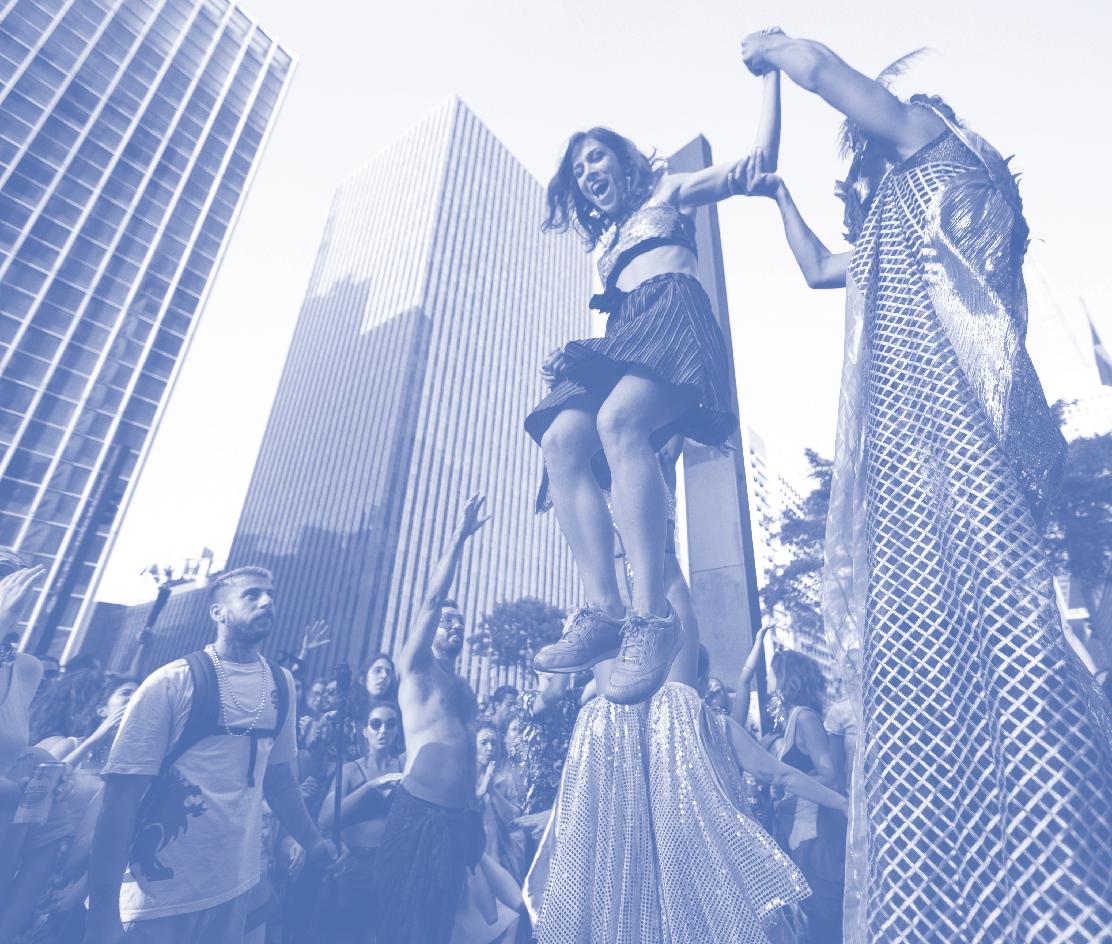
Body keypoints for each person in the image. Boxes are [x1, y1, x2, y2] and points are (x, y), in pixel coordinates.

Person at [736, 28, 1112, 941]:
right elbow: (819, 270)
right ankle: (958, 896)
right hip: (910, 471)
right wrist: (779, 194)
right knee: (922, 659)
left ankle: (1052, 889)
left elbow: (824, 73)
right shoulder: (893, 226)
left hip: (960, 440)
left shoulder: (943, 154)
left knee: (996, 633)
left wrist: (771, 46)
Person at [525, 69, 783, 704]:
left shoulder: (669, 190)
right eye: (579, 169)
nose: (589, 172)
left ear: (622, 160)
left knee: (618, 422)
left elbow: (757, 162)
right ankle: (605, 610)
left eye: (596, 158)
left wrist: (772, 75)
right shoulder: (606, 243)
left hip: (676, 315)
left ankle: (651, 617)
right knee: (560, 439)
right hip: (628, 333)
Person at [81, 566, 343, 944]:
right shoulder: (172, 681)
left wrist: (313, 841)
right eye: (252, 594)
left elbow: (280, 780)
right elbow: (119, 800)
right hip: (156, 900)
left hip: (234, 891)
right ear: (217, 612)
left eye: (270, 595)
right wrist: (103, 912)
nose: (267, 602)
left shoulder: (282, 683)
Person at [372, 494, 489, 944]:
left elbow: (470, 754)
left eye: (459, 622)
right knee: (402, 926)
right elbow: (431, 599)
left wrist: (473, 812)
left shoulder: (464, 688)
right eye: (446, 622)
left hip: (459, 820)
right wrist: (459, 538)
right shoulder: (416, 668)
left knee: (440, 926)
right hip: (418, 813)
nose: (453, 626)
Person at [316, 700, 403, 943]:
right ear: (365, 731)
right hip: (355, 865)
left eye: (390, 724)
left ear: (397, 730)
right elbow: (326, 818)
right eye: (376, 724)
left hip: (392, 866)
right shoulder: (351, 770)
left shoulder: (404, 765)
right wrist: (370, 787)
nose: (383, 730)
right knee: (349, 934)